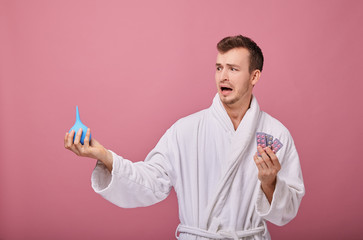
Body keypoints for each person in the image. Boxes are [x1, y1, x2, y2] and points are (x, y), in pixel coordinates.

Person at [64, 35, 305, 240]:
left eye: (233, 69)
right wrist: (105, 156)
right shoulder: (186, 130)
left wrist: (269, 182)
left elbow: (287, 212)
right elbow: (150, 182)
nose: (223, 76)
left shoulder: (276, 133)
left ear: (254, 77)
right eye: (219, 67)